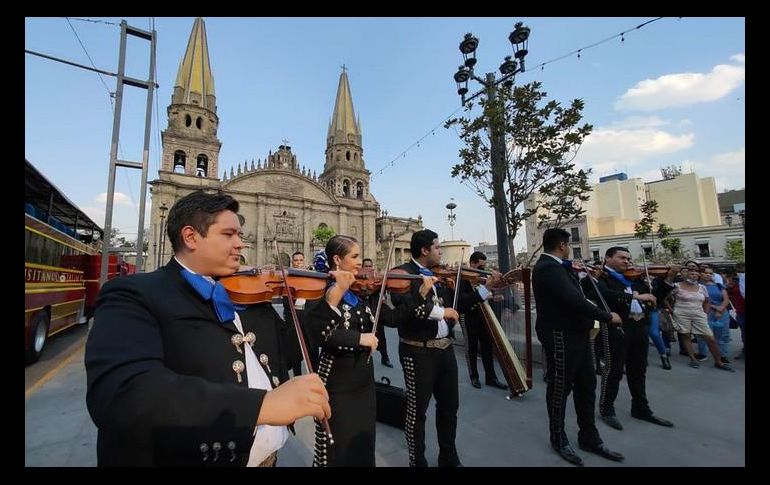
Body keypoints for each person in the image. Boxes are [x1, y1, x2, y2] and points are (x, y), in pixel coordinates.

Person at [84, 191, 330, 466]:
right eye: (229, 234)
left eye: (240, 234)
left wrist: (328, 301)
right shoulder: (133, 294)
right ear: (191, 237)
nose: (241, 243)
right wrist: (263, 405)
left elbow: (291, 352)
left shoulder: (248, 293)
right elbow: (124, 395)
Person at [304, 235, 436, 466]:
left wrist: (420, 296)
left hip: (364, 382)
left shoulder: (363, 294)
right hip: (337, 382)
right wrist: (359, 338)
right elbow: (318, 335)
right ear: (337, 259)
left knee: (363, 443)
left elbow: (393, 319)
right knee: (337, 447)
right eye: (354, 256)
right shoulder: (320, 290)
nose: (361, 263)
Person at [533, 229, 624, 467]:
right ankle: (558, 437)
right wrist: (606, 316)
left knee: (587, 385)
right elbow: (573, 299)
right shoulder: (548, 268)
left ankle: (589, 437)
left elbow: (580, 293)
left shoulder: (561, 267)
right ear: (563, 245)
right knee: (560, 387)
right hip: (561, 335)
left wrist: (585, 276)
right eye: (569, 245)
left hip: (578, 334)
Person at [390, 229, 463, 467]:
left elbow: (456, 305)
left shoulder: (436, 274)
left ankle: (448, 456)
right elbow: (407, 309)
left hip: (445, 350)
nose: (440, 252)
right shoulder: (401, 274)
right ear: (425, 250)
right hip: (418, 352)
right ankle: (417, 461)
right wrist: (444, 312)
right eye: (438, 247)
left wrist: (484, 290)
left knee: (449, 407)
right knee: (417, 412)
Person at [581, 247, 674, 431]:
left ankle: (641, 408)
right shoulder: (599, 278)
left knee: (638, 370)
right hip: (616, 328)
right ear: (608, 258)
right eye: (622, 258)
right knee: (613, 370)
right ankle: (607, 408)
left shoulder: (635, 278)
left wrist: (669, 278)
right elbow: (605, 295)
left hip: (639, 327)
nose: (627, 262)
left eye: (628, 258)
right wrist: (637, 296)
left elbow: (654, 299)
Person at [458, 251, 507, 390]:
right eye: (480, 267)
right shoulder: (463, 279)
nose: (483, 270)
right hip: (471, 316)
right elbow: (465, 300)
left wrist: (493, 297)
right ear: (472, 264)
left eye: (484, 267)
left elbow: (486, 295)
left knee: (487, 347)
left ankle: (491, 377)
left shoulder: (485, 278)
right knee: (472, 347)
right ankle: (474, 376)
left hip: (484, 316)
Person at [362, 257, 394, 368]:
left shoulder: (377, 279)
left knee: (381, 336)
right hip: (364, 310)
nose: (368, 268)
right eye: (366, 266)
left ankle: (385, 358)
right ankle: (365, 359)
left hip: (376, 310)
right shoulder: (359, 279)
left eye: (370, 266)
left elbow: (383, 290)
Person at [282, 251, 308, 376]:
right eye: (296, 261)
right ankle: (297, 375)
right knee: (295, 351)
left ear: (304, 261)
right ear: (292, 263)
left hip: (307, 317)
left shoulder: (310, 277)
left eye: (300, 260)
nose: (298, 263)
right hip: (293, 317)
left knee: (311, 349)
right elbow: (286, 302)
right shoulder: (288, 278)